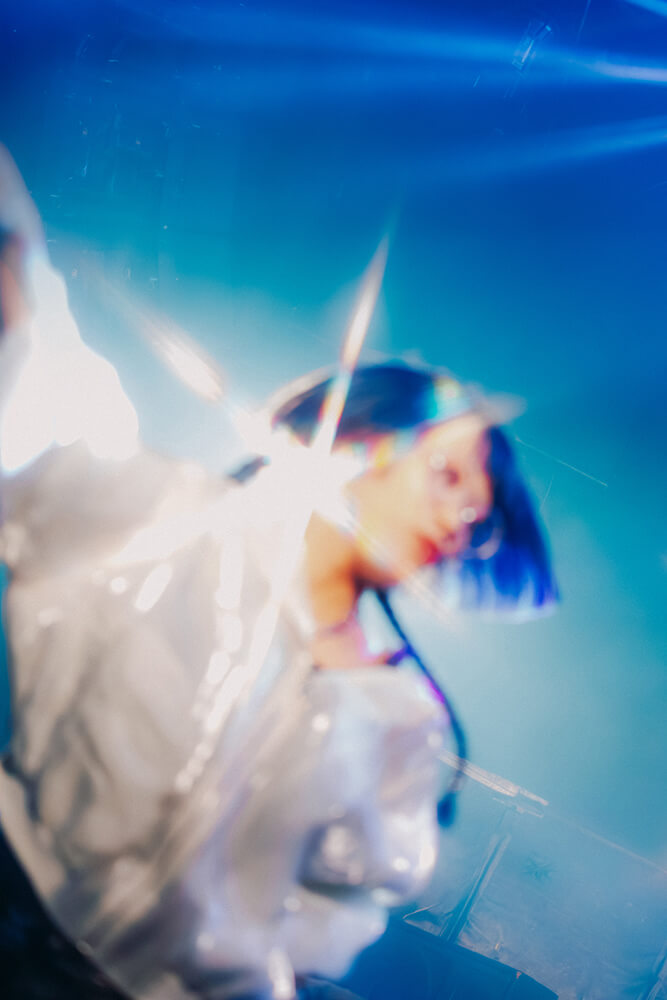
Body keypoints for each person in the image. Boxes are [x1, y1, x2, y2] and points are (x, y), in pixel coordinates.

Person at [0, 147, 557, 1000]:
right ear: (360, 439)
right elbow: (25, 349)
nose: (456, 521)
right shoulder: (166, 517)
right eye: (445, 476)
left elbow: (331, 915)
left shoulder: (400, 716)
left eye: (475, 521)